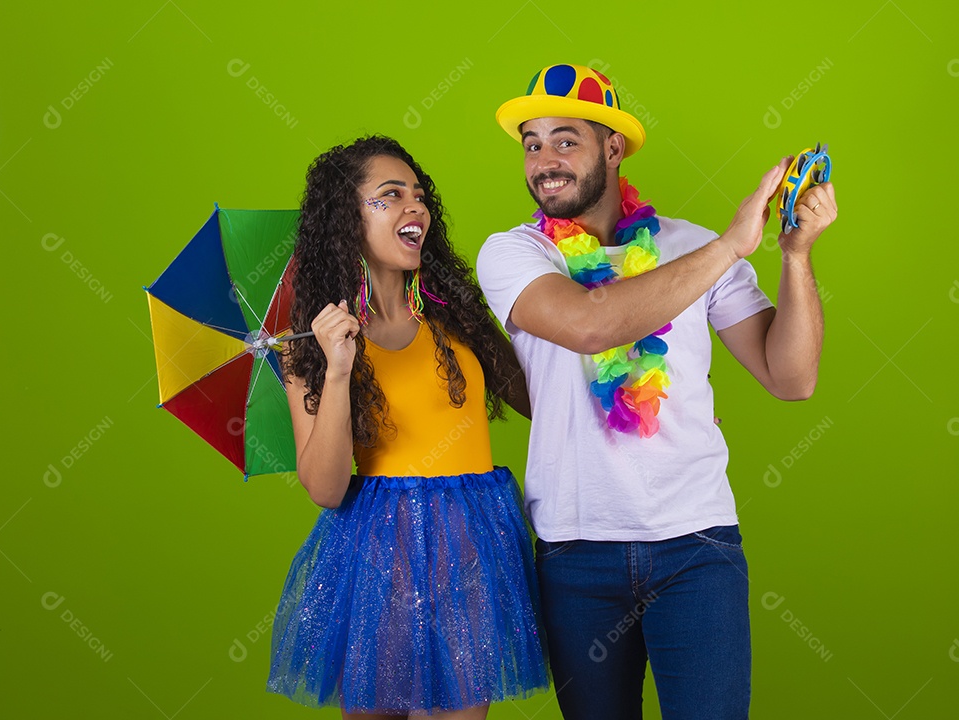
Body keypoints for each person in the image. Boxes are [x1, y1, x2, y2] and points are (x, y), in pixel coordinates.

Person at [476, 64, 837, 719]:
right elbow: (590, 325)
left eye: (565, 141)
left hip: (697, 546)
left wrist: (795, 255)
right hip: (575, 553)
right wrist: (731, 246)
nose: (544, 161)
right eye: (532, 144)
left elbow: (792, 378)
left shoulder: (691, 246)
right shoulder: (513, 255)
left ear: (613, 147)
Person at [267, 135, 549, 719]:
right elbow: (324, 488)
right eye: (390, 195)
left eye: (418, 195)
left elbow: (545, 399)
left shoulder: (459, 315)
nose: (414, 206)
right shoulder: (312, 344)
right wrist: (338, 369)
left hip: (471, 548)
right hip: (377, 557)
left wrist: (664, 404)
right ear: (347, 219)